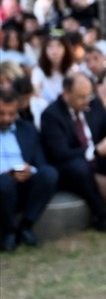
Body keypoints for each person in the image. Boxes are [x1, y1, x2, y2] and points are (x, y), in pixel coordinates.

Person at [40, 72, 106, 233]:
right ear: (66, 94)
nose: (86, 101)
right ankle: (102, 215)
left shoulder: (94, 104)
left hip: (97, 158)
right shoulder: (51, 115)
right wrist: (96, 151)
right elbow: (60, 154)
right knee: (78, 168)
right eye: (81, 97)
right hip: (70, 165)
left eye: (89, 95)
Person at [0, 87, 58, 252]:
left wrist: (29, 170)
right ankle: (9, 232)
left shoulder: (27, 129)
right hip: (2, 185)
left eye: (11, 114)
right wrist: (6, 173)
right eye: (1, 113)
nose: (6, 118)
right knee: (4, 183)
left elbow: (40, 162)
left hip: (24, 182)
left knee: (49, 174)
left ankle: (26, 226)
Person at [31, 34, 73, 104]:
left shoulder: (72, 69)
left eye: (59, 46)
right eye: (50, 46)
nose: (55, 51)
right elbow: (36, 92)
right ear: (45, 50)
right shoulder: (38, 70)